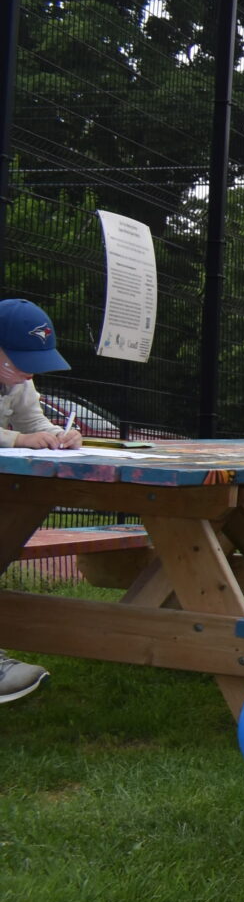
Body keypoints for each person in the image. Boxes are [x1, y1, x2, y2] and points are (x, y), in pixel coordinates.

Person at [0, 298, 80, 703]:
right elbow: (20, 433)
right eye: (17, 360)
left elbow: (33, 422)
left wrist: (56, 435)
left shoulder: (17, 378)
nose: (27, 371)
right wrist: (17, 440)